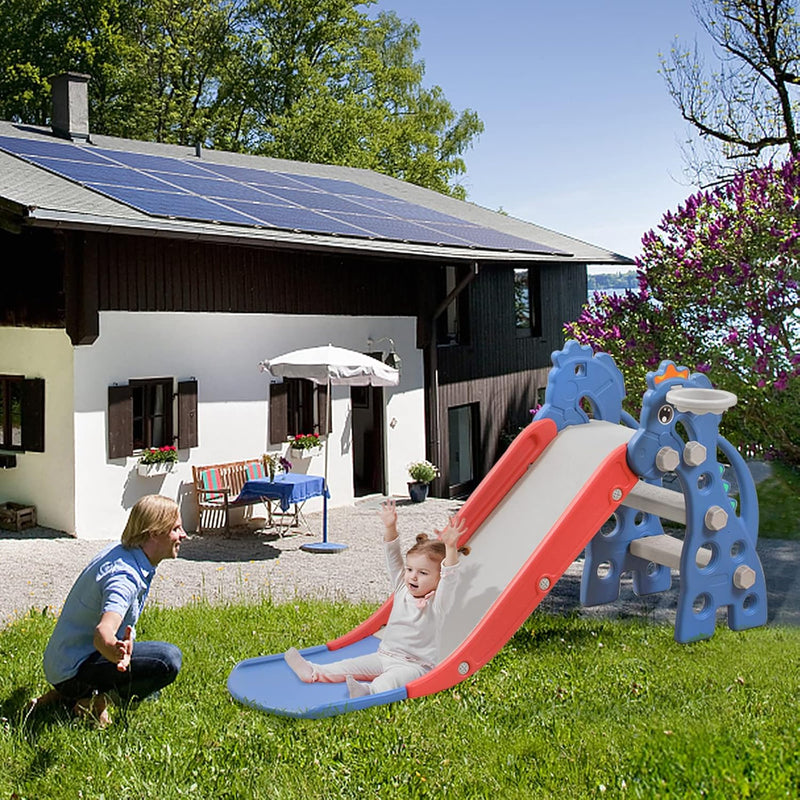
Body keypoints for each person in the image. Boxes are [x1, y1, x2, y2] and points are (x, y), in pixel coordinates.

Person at [285, 497, 469, 698]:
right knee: (348, 665)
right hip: (384, 656)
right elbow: (392, 556)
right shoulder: (402, 588)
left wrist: (451, 548)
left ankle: (368, 691)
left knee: (390, 681)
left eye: (423, 573)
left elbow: (450, 578)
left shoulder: (439, 602)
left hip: (416, 666)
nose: (413, 576)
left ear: (438, 577)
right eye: (409, 570)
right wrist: (390, 527)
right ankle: (313, 671)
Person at [31, 494, 186, 727]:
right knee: (166, 661)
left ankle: (64, 696)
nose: (183, 535)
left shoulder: (123, 550)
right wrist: (113, 650)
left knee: (152, 690)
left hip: (62, 662)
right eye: (176, 529)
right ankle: (92, 703)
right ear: (154, 533)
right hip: (75, 668)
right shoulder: (124, 577)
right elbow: (103, 631)